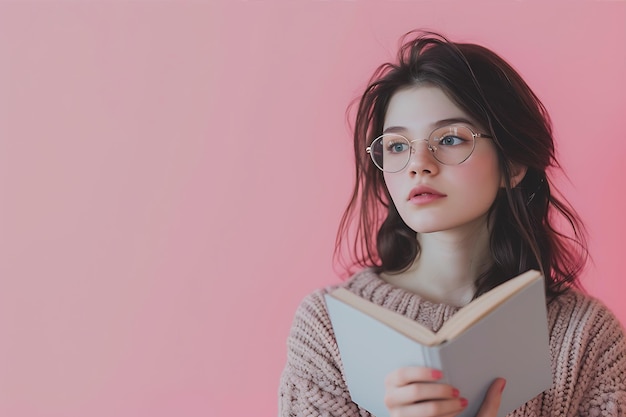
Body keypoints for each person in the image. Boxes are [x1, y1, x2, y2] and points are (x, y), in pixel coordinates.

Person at [278, 31, 626, 417]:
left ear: (511, 165)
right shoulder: (329, 330)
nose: (418, 163)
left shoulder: (587, 338)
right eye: (396, 146)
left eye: (450, 139)